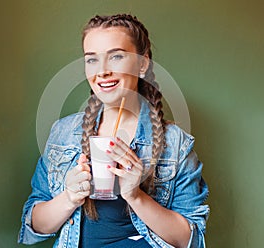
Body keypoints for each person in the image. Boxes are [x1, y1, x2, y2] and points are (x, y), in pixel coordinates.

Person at [18, 14, 209, 248]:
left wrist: (136, 196)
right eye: (92, 60)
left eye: (116, 56)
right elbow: (33, 228)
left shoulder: (175, 143)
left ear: (142, 64)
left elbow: (192, 241)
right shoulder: (63, 133)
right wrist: (68, 197)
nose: (102, 71)